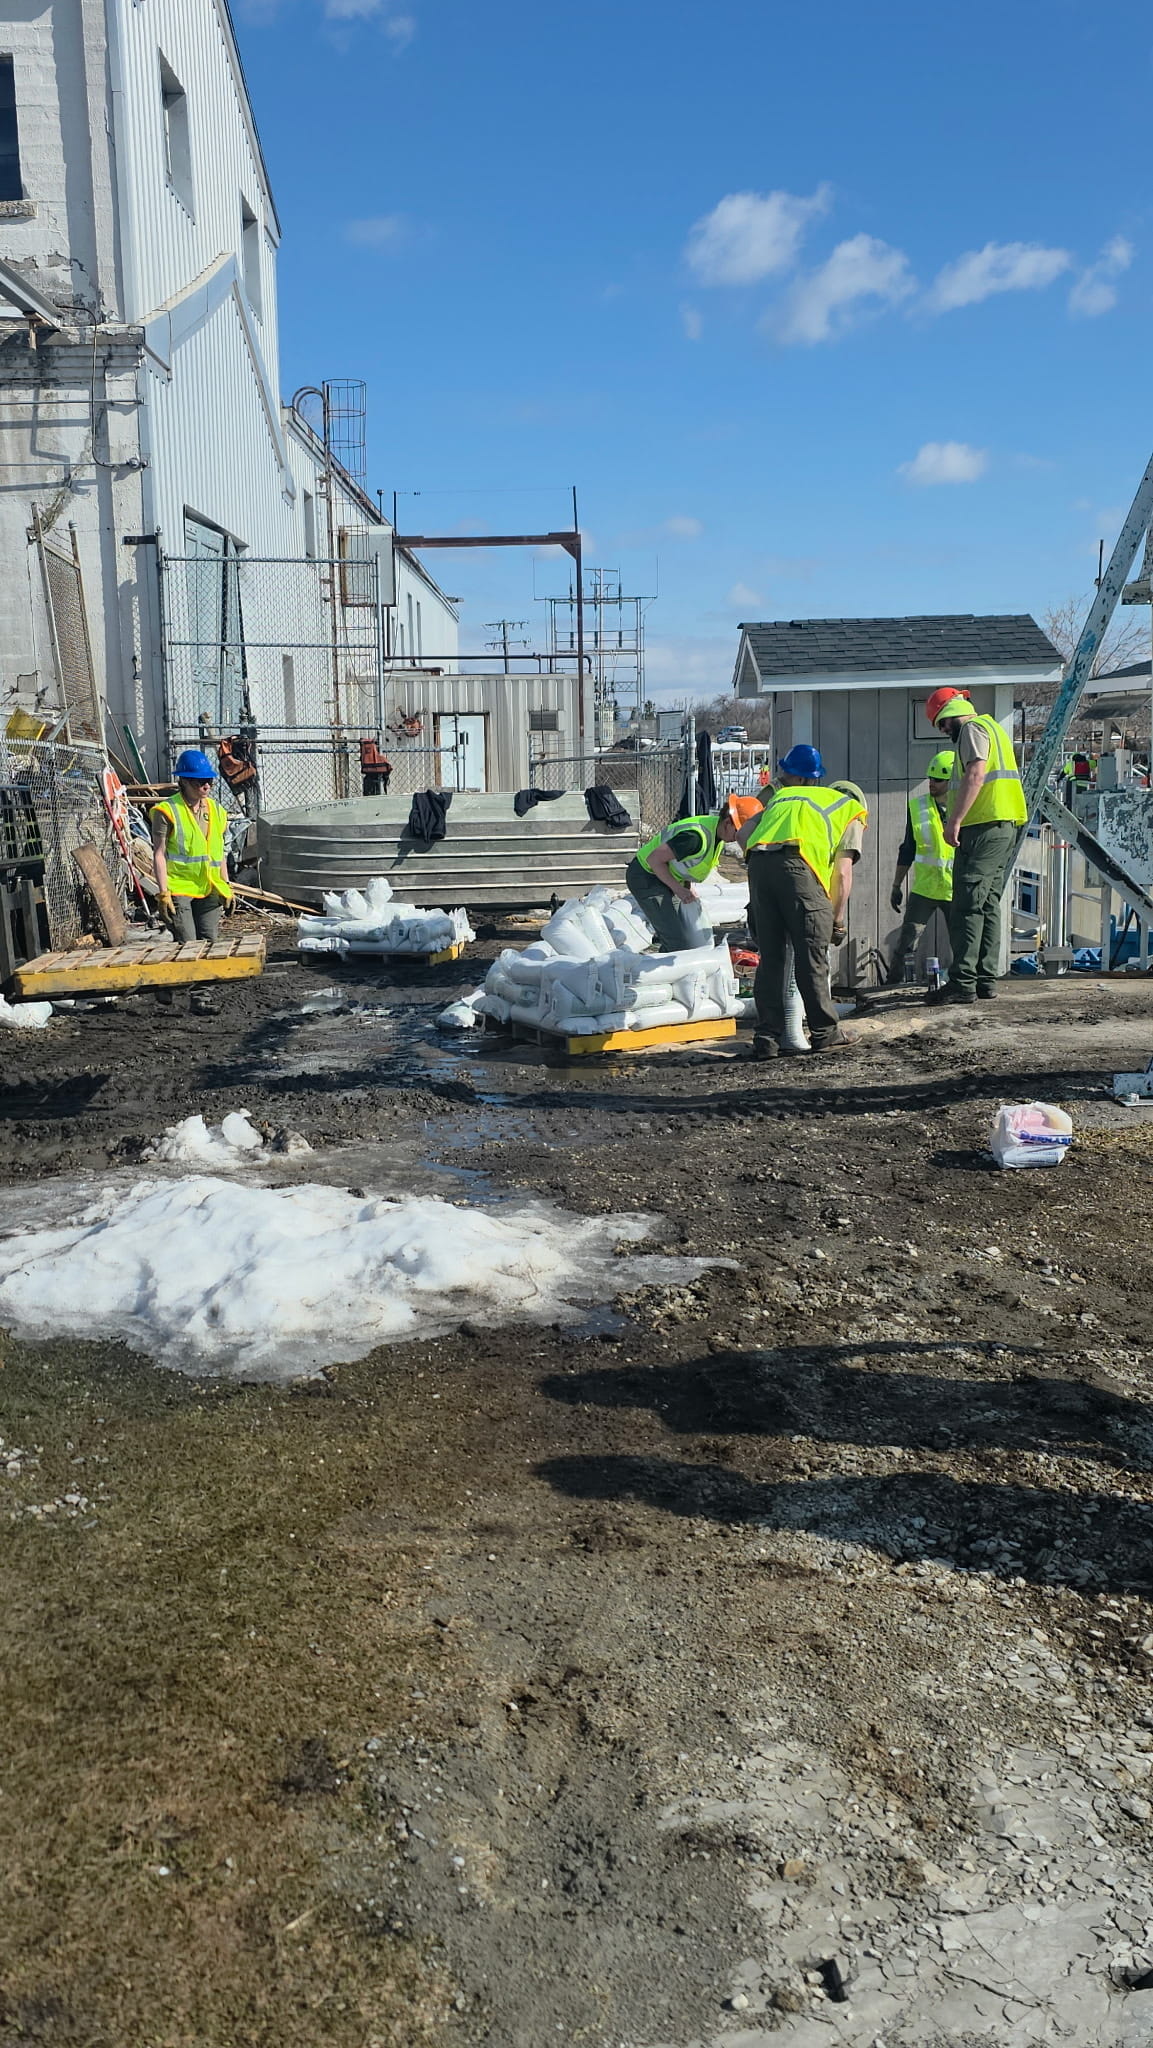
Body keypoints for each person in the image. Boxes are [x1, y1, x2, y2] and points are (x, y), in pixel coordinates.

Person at [737, 744, 867, 1059]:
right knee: (812, 956)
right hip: (797, 869)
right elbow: (842, 877)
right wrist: (835, 921)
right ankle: (826, 1033)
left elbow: (743, 838)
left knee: (771, 958)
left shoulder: (782, 797)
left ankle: (766, 1038)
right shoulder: (849, 811)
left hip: (759, 865)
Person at [922, 689, 1027, 1005]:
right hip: (1004, 824)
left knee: (967, 903)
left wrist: (953, 821)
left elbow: (976, 773)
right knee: (987, 903)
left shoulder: (972, 729)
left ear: (949, 714)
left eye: (941, 724)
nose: (943, 731)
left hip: (983, 827)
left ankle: (963, 982)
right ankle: (985, 979)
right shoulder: (994, 727)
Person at [627, 794, 763, 952]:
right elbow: (654, 860)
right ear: (728, 823)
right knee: (676, 941)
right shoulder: (695, 838)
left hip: (664, 878)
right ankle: (665, 974)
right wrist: (679, 890)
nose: (739, 838)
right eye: (738, 832)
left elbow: (686, 863)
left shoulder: (717, 835)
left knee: (685, 934)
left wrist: (687, 886)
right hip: (646, 877)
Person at [150, 748, 234, 942]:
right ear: (185, 781)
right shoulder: (168, 811)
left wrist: (226, 885)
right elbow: (159, 854)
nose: (207, 786)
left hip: (209, 887)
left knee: (209, 941)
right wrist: (163, 893)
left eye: (210, 781)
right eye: (200, 782)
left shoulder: (217, 811)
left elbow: (220, 852)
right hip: (180, 888)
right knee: (188, 943)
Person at [888, 749, 955, 980]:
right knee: (907, 938)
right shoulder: (918, 808)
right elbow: (907, 849)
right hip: (925, 888)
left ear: (951, 780)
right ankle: (892, 984)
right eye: (930, 778)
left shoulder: (966, 807)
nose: (931, 784)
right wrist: (897, 885)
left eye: (938, 779)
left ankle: (964, 982)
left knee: (964, 941)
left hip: (954, 888)